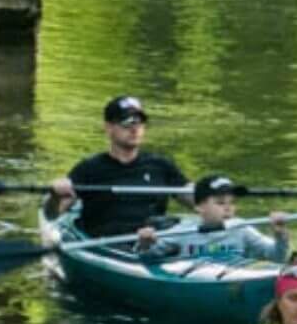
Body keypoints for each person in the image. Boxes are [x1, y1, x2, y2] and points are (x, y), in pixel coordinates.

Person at [42, 95, 188, 240]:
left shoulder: (161, 165)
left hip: (154, 242)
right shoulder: (89, 169)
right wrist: (55, 196)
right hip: (105, 245)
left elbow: (196, 198)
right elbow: (51, 214)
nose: (134, 128)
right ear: (108, 128)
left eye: (139, 122)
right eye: (127, 122)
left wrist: (208, 193)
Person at [135, 173, 290, 264]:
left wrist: (280, 235)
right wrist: (145, 244)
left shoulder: (242, 228)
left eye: (232, 202)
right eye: (220, 203)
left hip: (234, 281)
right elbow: (145, 258)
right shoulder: (183, 231)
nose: (228, 207)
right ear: (199, 207)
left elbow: (276, 257)